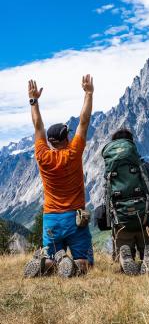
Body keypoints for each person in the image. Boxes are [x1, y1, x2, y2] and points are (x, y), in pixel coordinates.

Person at [24, 75, 94, 278]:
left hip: (51, 218)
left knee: (50, 257)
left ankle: (48, 264)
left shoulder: (42, 155)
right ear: (67, 138)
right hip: (75, 218)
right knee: (86, 263)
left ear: (51, 142)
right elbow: (85, 121)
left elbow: (38, 127)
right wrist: (88, 93)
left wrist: (33, 101)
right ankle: (72, 264)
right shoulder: (73, 153)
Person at [99, 128, 149, 275]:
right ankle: (148, 254)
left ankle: (124, 257)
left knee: (123, 256)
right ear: (132, 144)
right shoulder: (143, 166)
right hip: (145, 219)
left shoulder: (110, 170)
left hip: (121, 220)